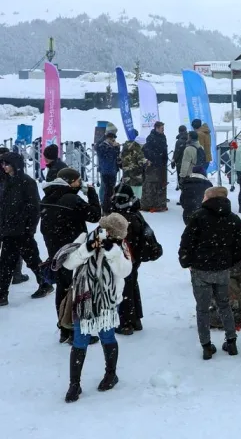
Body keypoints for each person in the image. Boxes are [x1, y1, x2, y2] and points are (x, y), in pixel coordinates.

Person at [61, 214, 132, 403]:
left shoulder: (120, 246)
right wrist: (87, 248)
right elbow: (68, 263)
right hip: (83, 299)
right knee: (80, 339)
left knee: (107, 336)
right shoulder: (85, 238)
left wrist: (111, 251)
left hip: (107, 302)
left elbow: (125, 271)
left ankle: (111, 374)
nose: (111, 237)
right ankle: (74, 384)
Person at [178, 186, 241, 360]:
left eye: (204, 196)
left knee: (202, 309)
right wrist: (228, 262)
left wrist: (187, 262)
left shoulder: (198, 217)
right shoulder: (234, 219)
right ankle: (231, 341)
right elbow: (240, 247)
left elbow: (186, 242)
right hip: (222, 270)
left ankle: (206, 346)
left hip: (200, 270)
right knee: (224, 305)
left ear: (209, 198)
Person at [40, 168, 102, 342]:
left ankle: (63, 329)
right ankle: (75, 331)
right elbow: (95, 215)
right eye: (78, 180)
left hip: (56, 251)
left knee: (63, 287)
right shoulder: (72, 198)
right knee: (77, 289)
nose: (80, 183)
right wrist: (91, 194)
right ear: (71, 182)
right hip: (73, 249)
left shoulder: (48, 196)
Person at [0, 152, 46, 305]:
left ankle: (44, 282)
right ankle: (3, 294)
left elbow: (34, 208)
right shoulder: (6, 181)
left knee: (27, 259)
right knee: (11, 262)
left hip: (21, 230)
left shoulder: (27, 182)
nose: (4, 167)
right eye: (3, 164)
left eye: (7, 164)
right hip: (9, 230)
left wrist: (29, 228)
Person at [110, 184, 150, 335]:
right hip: (134, 257)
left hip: (124, 258)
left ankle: (126, 323)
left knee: (124, 287)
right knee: (131, 284)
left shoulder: (121, 217)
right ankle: (135, 319)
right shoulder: (134, 212)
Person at [141, 122, 169, 212]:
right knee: (152, 184)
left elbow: (164, 150)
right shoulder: (151, 138)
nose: (163, 130)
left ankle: (161, 204)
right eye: (162, 128)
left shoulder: (163, 137)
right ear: (157, 128)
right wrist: (155, 159)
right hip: (153, 165)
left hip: (162, 165)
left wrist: (165, 160)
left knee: (162, 184)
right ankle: (150, 205)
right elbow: (148, 151)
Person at [96, 133, 121, 215]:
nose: (113, 141)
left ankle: (108, 206)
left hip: (112, 170)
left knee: (111, 190)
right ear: (108, 139)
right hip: (106, 171)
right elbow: (109, 156)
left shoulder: (110, 147)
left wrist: (117, 148)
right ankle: (105, 208)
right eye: (112, 140)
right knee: (107, 190)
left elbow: (116, 156)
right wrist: (114, 147)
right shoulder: (102, 146)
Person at [120, 131, 147, 200]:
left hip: (126, 175)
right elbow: (141, 162)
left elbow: (119, 159)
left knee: (127, 194)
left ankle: (126, 206)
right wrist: (147, 162)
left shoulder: (125, 147)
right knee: (136, 196)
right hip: (136, 176)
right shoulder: (138, 150)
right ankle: (135, 207)